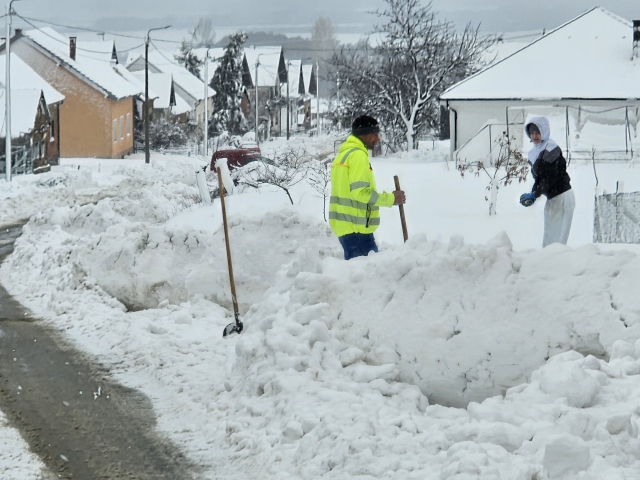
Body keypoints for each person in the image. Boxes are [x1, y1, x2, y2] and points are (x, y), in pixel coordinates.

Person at [329, 115, 406, 260]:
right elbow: (360, 192)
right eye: (374, 134)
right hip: (357, 229)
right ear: (363, 134)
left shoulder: (344, 155)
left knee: (360, 277)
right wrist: (391, 199)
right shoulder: (357, 155)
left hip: (346, 228)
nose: (378, 138)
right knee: (368, 277)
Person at [519, 116, 575, 247]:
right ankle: (546, 266)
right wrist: (533, 194)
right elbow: (539, 179)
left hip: (562, 197)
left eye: (537, 132)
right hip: (552, 199)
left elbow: (550, 176)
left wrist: (536, 194)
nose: (534, 136)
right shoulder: (533, 152)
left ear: (544, 131)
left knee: (557, 241)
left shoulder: (551, 147)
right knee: (548, 238)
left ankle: (556, 266)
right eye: (532, 133)